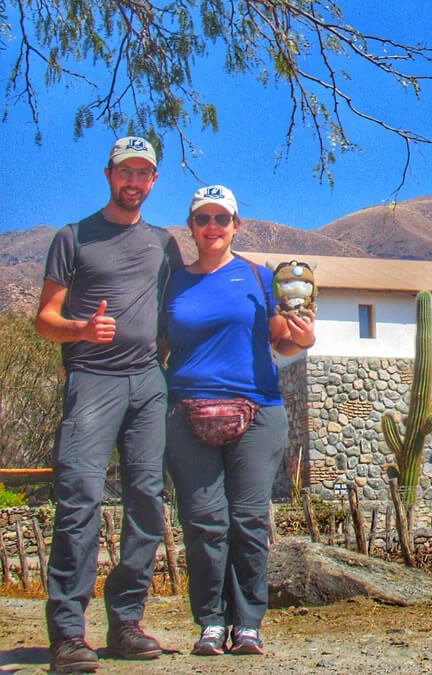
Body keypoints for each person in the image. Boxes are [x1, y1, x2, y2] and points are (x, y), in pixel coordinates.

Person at [36, 136, 184, 673]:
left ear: (153, 182)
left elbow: (171, 317)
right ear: (108, 175)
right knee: (79, 498)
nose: (134, 181)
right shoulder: (73, 237)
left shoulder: (163, 244)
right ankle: (68, 636)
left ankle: (125, 623)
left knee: (147, 500)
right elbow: (44, 319)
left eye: (144, 173)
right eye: (126, 172)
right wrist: (82, 329)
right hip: (91, 380)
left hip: (147, 382)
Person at [162, 185, 315, 657]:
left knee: (248, 520)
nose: (212, 228)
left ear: (235, 226)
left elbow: (280, 343)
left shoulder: (258, 276)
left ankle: (248, 623)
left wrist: (302, 339)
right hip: (186, 410)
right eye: (202, 219)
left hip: (257, 409)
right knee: (204, 520)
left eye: (221, 219)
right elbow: (158, 349)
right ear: (191, 227)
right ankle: (210, 621)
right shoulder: (171, 281)